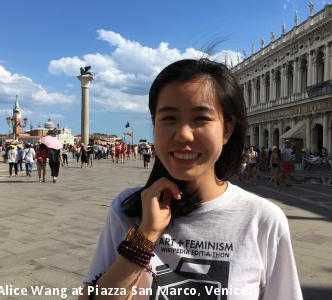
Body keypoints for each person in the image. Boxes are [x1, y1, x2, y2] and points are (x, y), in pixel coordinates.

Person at [79, 59, 302, 300]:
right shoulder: (127, 210)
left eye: (201, 119)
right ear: (154, 125)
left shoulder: (263, 220)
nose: (184, 134)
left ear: (227, 130)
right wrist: (144, 237)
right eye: (169, 118)